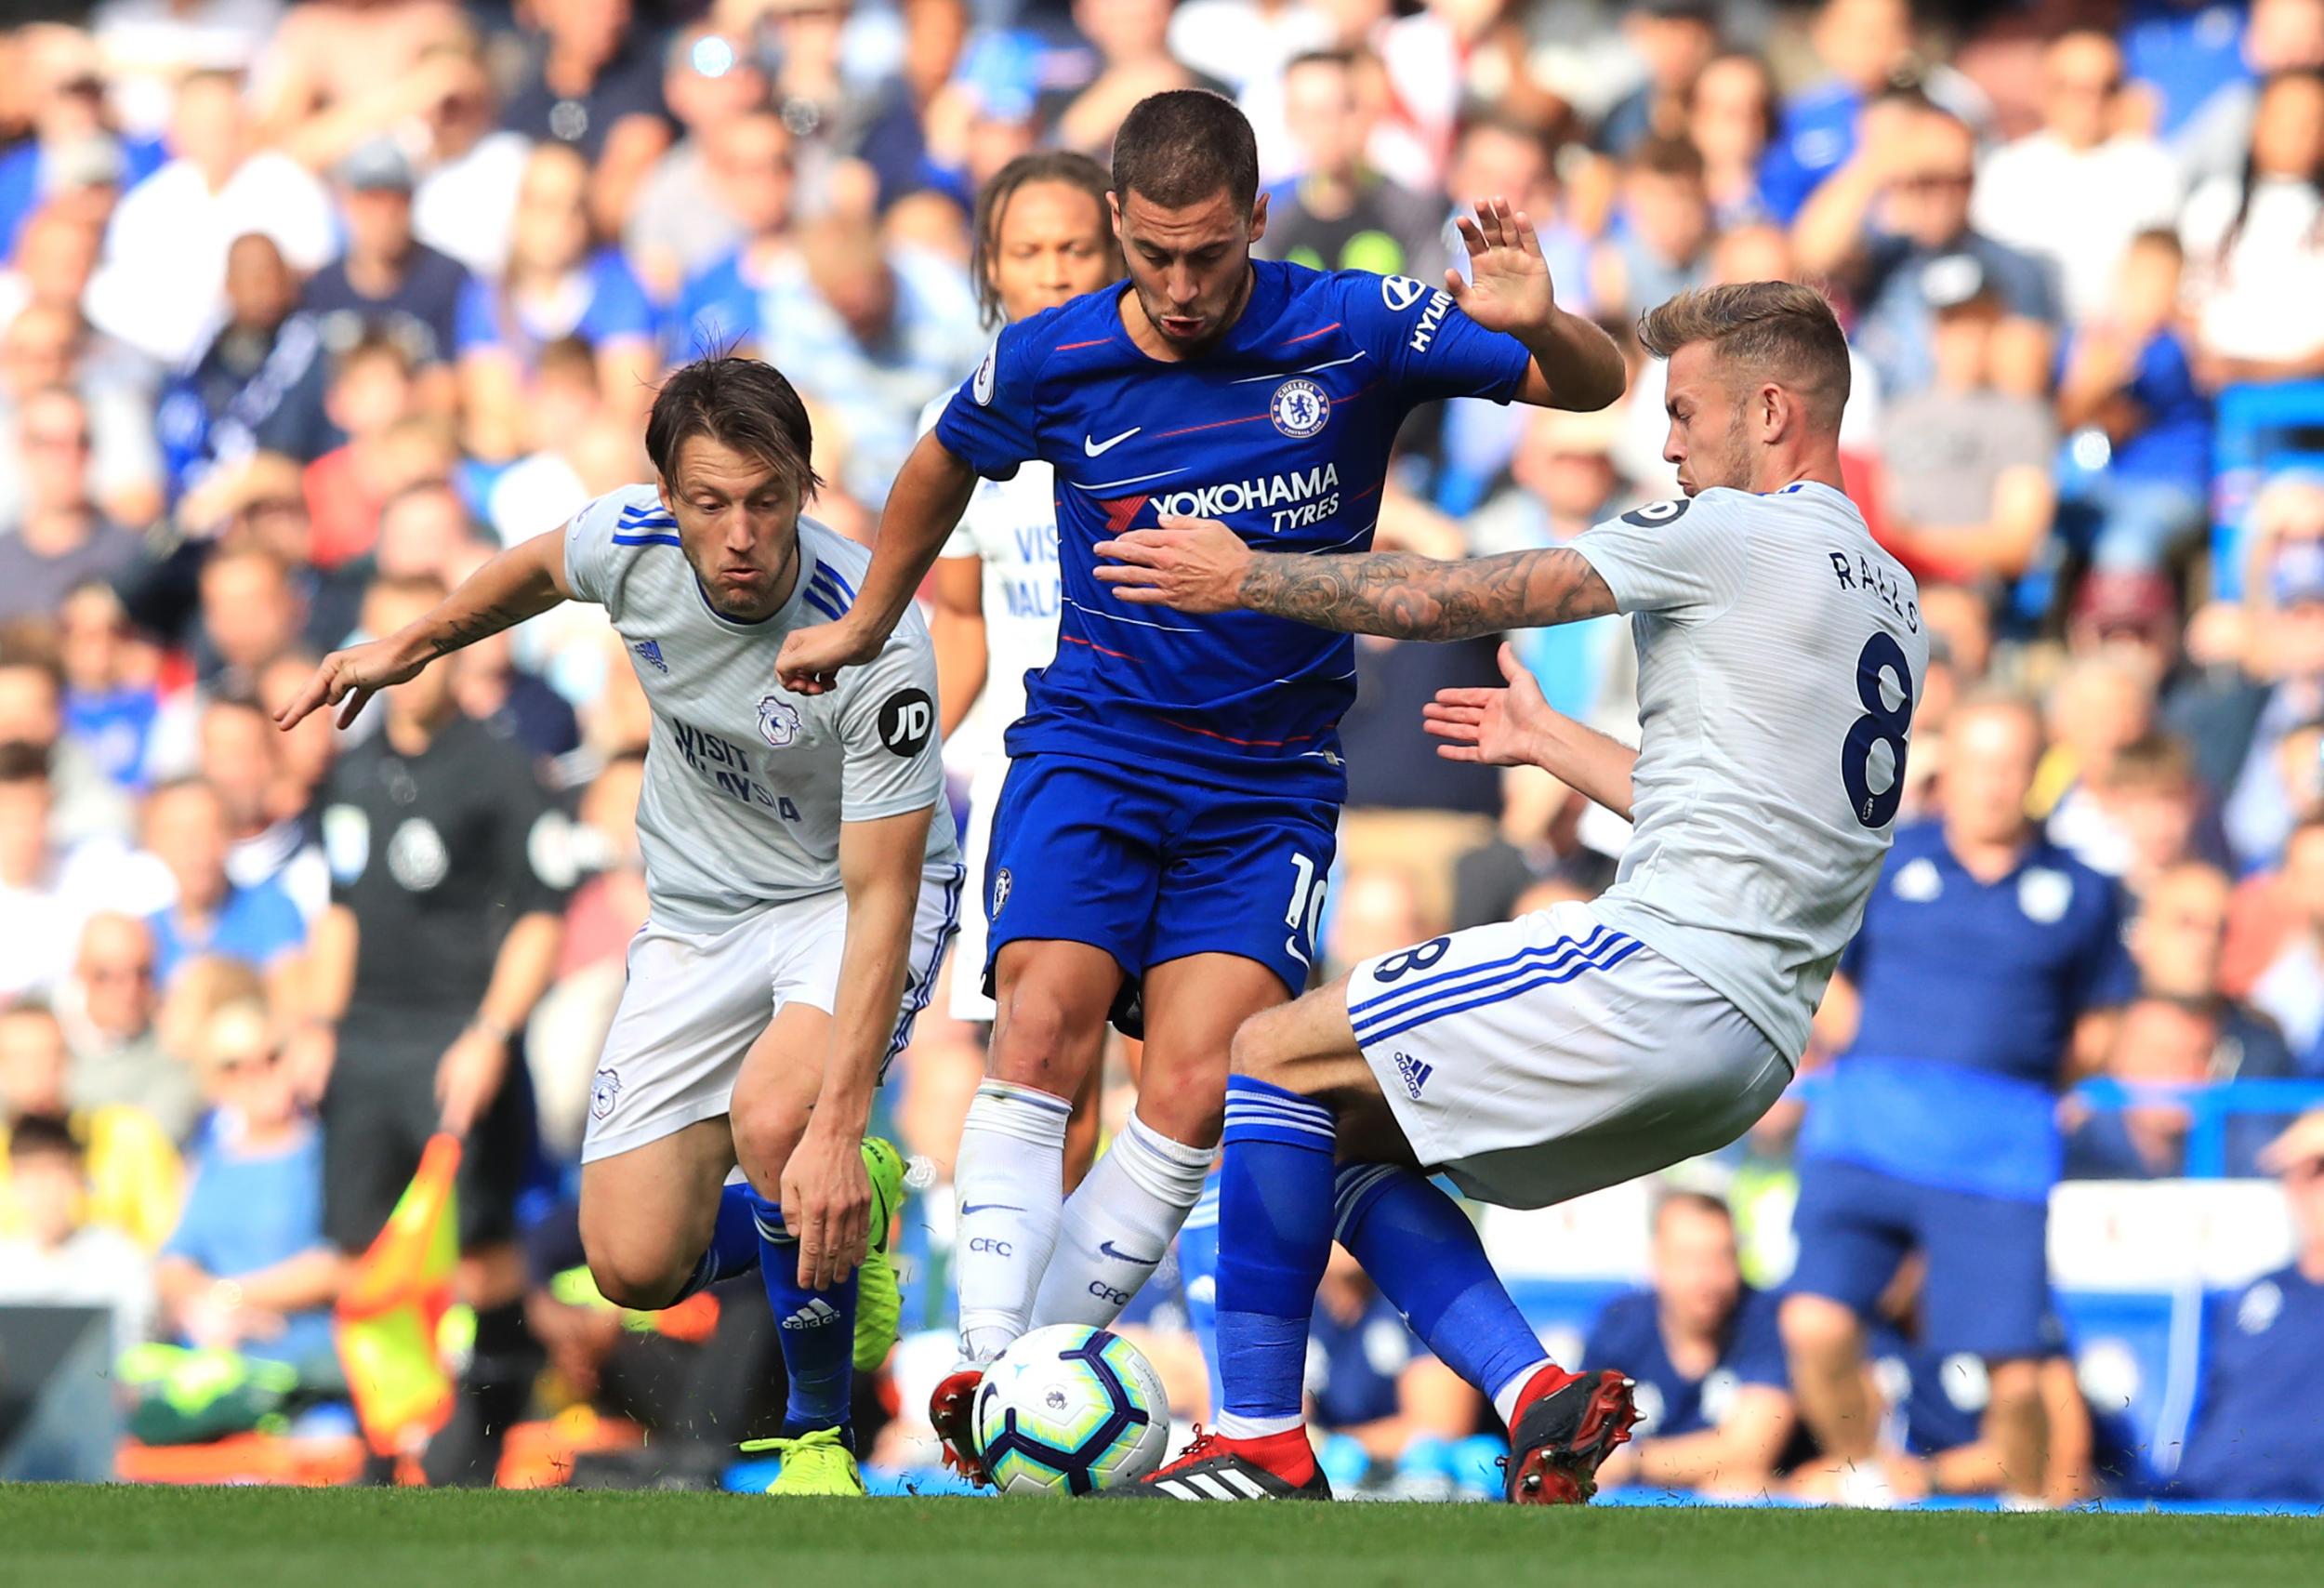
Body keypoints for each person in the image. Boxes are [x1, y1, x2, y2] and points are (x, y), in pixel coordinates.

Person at [772, 87, 1627, 1486]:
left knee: (1192, 1083)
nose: (1179, 286)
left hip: (1268, 784)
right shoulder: (1050, 357)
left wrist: (1539, 318)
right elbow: (937, 460)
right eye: (1154, 253)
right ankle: (993, 1369)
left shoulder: (1353, 325)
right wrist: (873, 618)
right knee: (1037, 1025)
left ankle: (1015, 1398)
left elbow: (1590, 387)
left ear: (1257, 225)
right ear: (1120, 226)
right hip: (1095, 749)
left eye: (1209, 256)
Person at [1082, 278, 1921, 1502]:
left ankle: (1257, 1440)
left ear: (1775, 411)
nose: (1668, 442)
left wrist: (1244, 575)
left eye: (1685, 412)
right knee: (1339, 1128)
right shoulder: (1886, 592)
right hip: (1749, 1047)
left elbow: (1444, 596)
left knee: (1262, 1052)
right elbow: (1757, 820)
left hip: (1658, 977)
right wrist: (1559, 746)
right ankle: (1538, 1398)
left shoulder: (1737, 534)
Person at [275, 355, 965, 1498]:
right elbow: (537, 569)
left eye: (764, 499)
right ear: (665, 499)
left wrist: (838, 1125)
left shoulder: (877, 636)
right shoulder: (627, 544)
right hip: (698, 915)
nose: (738, 533)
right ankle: (845, 1215)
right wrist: (416, 644)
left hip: (842, 900)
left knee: (777, 1121)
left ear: (803, 486)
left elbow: (887, 888)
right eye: (708, 503)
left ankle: (813, 1443)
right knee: (635, 1262)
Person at [1780, 695, 2133, 1510]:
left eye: (2011, 766)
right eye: (1978, 764)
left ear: (2036, 775)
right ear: (1949, 771)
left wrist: (2015, 1083)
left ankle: (2029, 1507)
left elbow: (2100, 1026)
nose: (1993, 784)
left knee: (2012, 1374)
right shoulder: (1890, 861)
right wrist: (1881, 1055)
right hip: (1866, 1132)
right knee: (1814, 1325)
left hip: (1996, 1152)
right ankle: (1868, 1475)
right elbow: (1820, 973)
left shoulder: (2082, 891)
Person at [925, 151, 1120, 1034]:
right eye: (1028, 250)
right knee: (1041, 1055)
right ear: (990, 268)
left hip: (1166, 753)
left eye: (1076, 247)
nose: (1053, 271)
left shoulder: (1182, 406)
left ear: (1118, 253)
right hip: (1031, 772)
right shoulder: (954, 424)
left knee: (1176, 1067)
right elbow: (962, 621)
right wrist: (900, 751)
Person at [1582, 1190, 1795, 1496]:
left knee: (1737, 1489)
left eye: (1723, 1257)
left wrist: (1633, 1463)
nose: (1707, 1278)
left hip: (1733, 1514)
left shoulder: (1767, 1321)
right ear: (1656, 1260)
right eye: (1689, 1259)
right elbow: (1584, 1444)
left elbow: (1750, 1453)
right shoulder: (1620, 1325)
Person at [2172, 1108, 2324, 1502]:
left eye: (2320, 1169)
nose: (2307, 1188)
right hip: (2215, 1496)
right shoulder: (2253, 1296)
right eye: (2300, 1174)